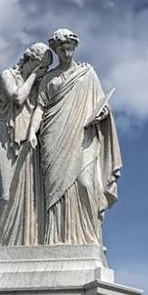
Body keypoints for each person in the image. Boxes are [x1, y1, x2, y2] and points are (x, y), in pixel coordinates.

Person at [28, 28, 122, 245]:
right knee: (55, 190)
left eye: (68, 45)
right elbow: (40, 108)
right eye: (61, 47)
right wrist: (32, 132)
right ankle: (55, 238)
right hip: (53, 135)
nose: (65, 50)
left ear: (75, 46)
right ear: (55, 49)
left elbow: (101, 103)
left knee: (85, 183)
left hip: (83, 135)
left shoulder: (87, 73)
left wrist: (103, 113)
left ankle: (88, 237)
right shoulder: (49, 78)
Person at [0, 42, 52, 245]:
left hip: (30, 142)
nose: (43, 71)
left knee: (31, 197)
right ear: (30, 59)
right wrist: (34, 76)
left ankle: (29, 241)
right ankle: (1, 243)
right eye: (41, 66)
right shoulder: (7, 75)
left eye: (46, 68)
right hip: (8, 138)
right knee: (7, 195)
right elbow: (17, 97)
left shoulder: (38, 84)